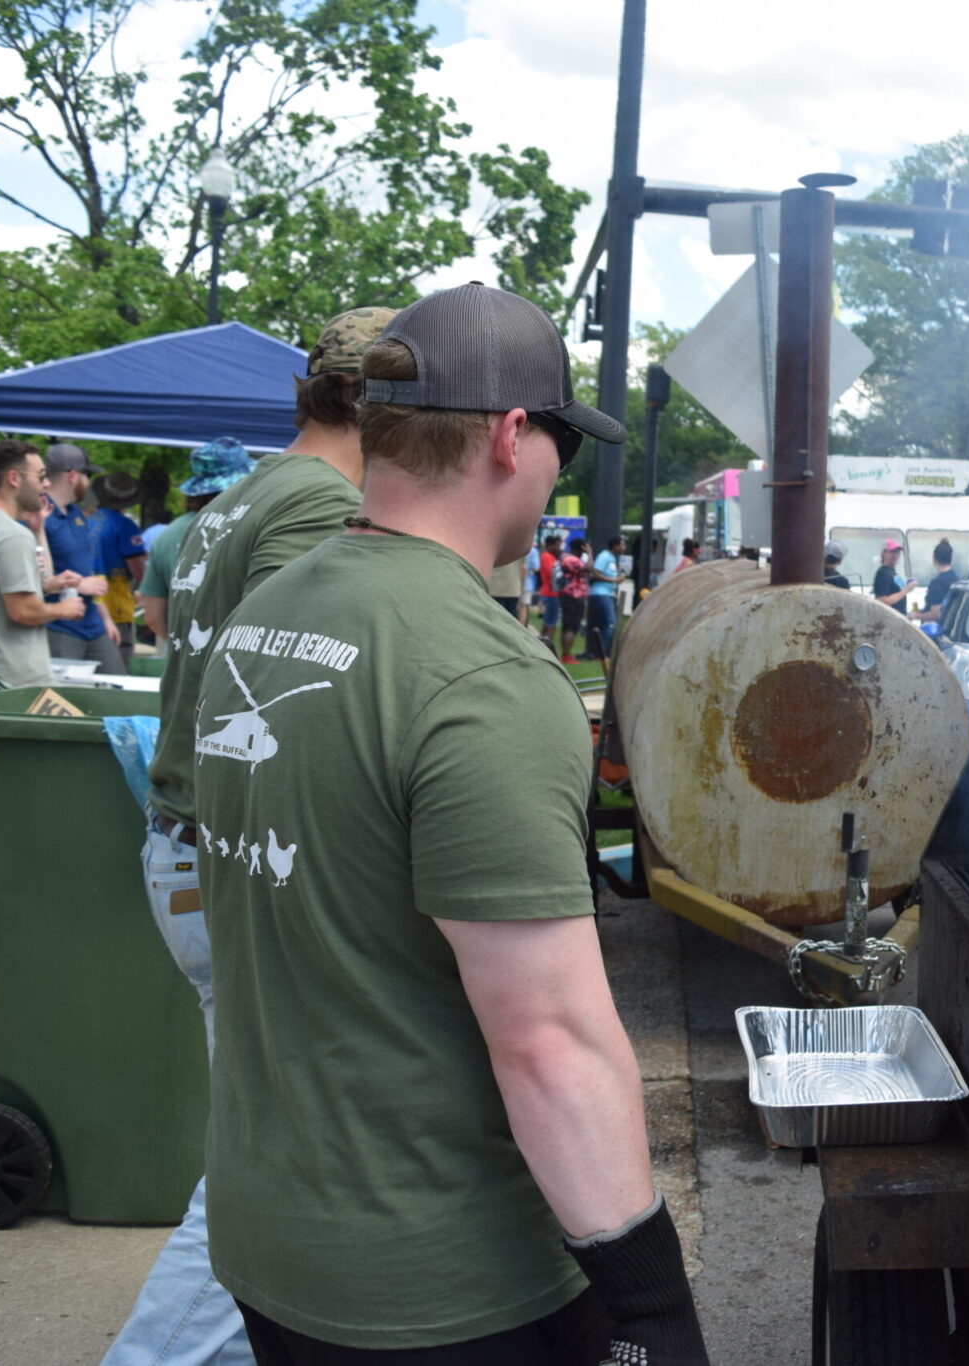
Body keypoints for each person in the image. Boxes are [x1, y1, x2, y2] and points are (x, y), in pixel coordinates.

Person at [198, 281, 707, 1364]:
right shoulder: (479, 671)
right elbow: (548, 1039)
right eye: (562, 440)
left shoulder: (261, 615)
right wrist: (654, 1309)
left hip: (266, 1241)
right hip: (444, 1285)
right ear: (512, 436)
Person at [106, 309, 393, 1366]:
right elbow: (301, 687)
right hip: (230, 856)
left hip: (189, 847)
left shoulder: (245, 495)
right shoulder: (319, 500)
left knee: (271, 1150)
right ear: (375, 403)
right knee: (268, 1164)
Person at [0, 441, 87, 687]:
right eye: (40, 476)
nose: (47, 484)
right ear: (14, 478)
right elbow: (23, 610)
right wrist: (65, 609)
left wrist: (48, 585)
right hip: (13, 684)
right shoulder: (12, 535)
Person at [135, 437, 254, 660]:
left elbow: (151, 616)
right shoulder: (252, 526)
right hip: (237, 660)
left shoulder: (167, 535)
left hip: (181, 660)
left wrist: (182, 647)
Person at [39, 443, 123, 674]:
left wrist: (105, 618)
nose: (88, 485)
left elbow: (88, 572)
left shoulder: (76, 513)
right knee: (67, 698)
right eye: (87, 475)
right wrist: (79, 585)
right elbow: (34, 576)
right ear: (73, 476)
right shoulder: (40, 515)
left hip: (94, 625)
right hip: (61, 628)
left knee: (118, 686)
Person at [91, 471, 150, 670]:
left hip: (89, 603)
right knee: (118, 665)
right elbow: (139, 570)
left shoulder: (86, 520)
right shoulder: (125, 526)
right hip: (115, 604)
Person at [586, 533, 625, 664]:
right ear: (615, 546)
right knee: (609, 622)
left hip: (607, 594)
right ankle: (603, 654)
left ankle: (601, 653)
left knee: (605, 624)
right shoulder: (604, 556)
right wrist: (614, 579)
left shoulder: (612, 558)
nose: (624, 547)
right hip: (601, 594)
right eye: (622, 544)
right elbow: (595, 573)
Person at [557, 536, 590, 664]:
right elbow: (588, 569)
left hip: (567, 595)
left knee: (566, 626)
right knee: (572, 627)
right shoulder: (572, 559)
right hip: (574, 596)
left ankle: (565, 654)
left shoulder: (564, 557)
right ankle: (566, 656)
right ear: (581, 548)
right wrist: (590, 553)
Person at [914, 538, 959, 625]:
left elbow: (935, 614)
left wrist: (915, 616)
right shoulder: (956, 579)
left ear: (934, 558)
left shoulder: (937, 583)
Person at [535, 533, 563, 654]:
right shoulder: (547, 557)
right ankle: (548, 649)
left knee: (549, 622)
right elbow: (552, 574)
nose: (558, 548)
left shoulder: (551, 556)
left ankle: (541, 646)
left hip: (552, 593)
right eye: (556, 545)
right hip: (550, 593)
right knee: (551, 623)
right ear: (550, 545)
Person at [872, 538, 913, 613]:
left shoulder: (893, 573)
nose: (895, 555)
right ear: (884, 553)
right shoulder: (883, 573)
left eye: (897, 552)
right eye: (892, 552)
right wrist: (906, 590)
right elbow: (883, 601)